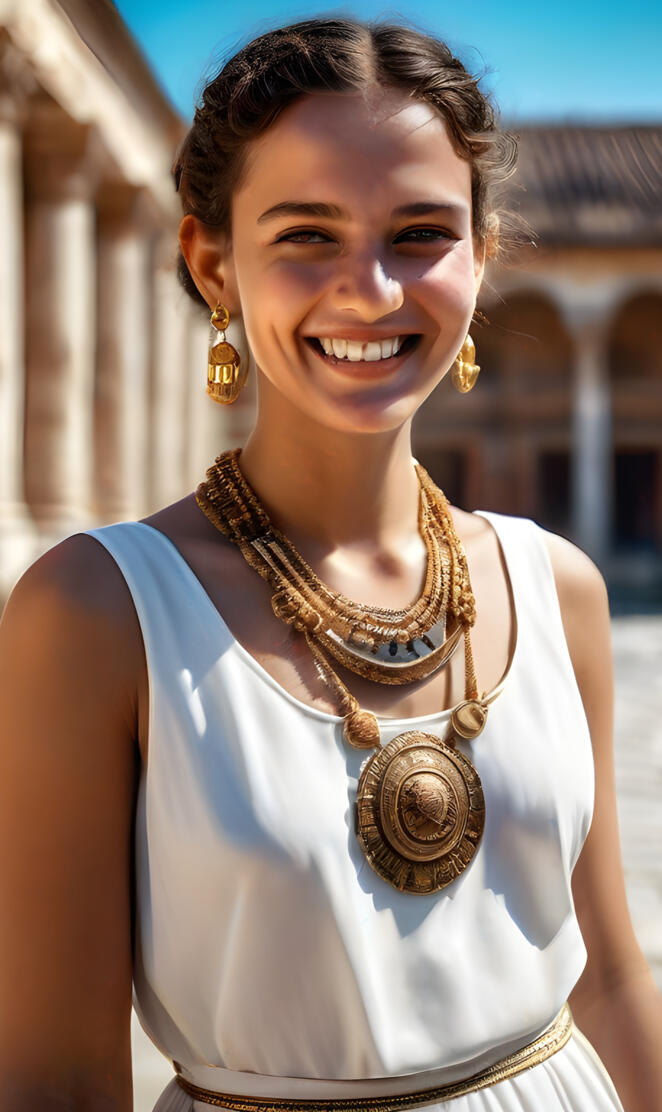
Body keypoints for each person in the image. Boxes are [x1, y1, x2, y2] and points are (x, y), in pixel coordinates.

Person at [0, 16, 660, 1112]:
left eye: (419, 233)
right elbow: (55, 1076)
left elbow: (610, 981)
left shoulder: (559, 588)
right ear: (212, 262)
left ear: (482, 258)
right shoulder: (94, 612)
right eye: (306, 232)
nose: (372, 290)